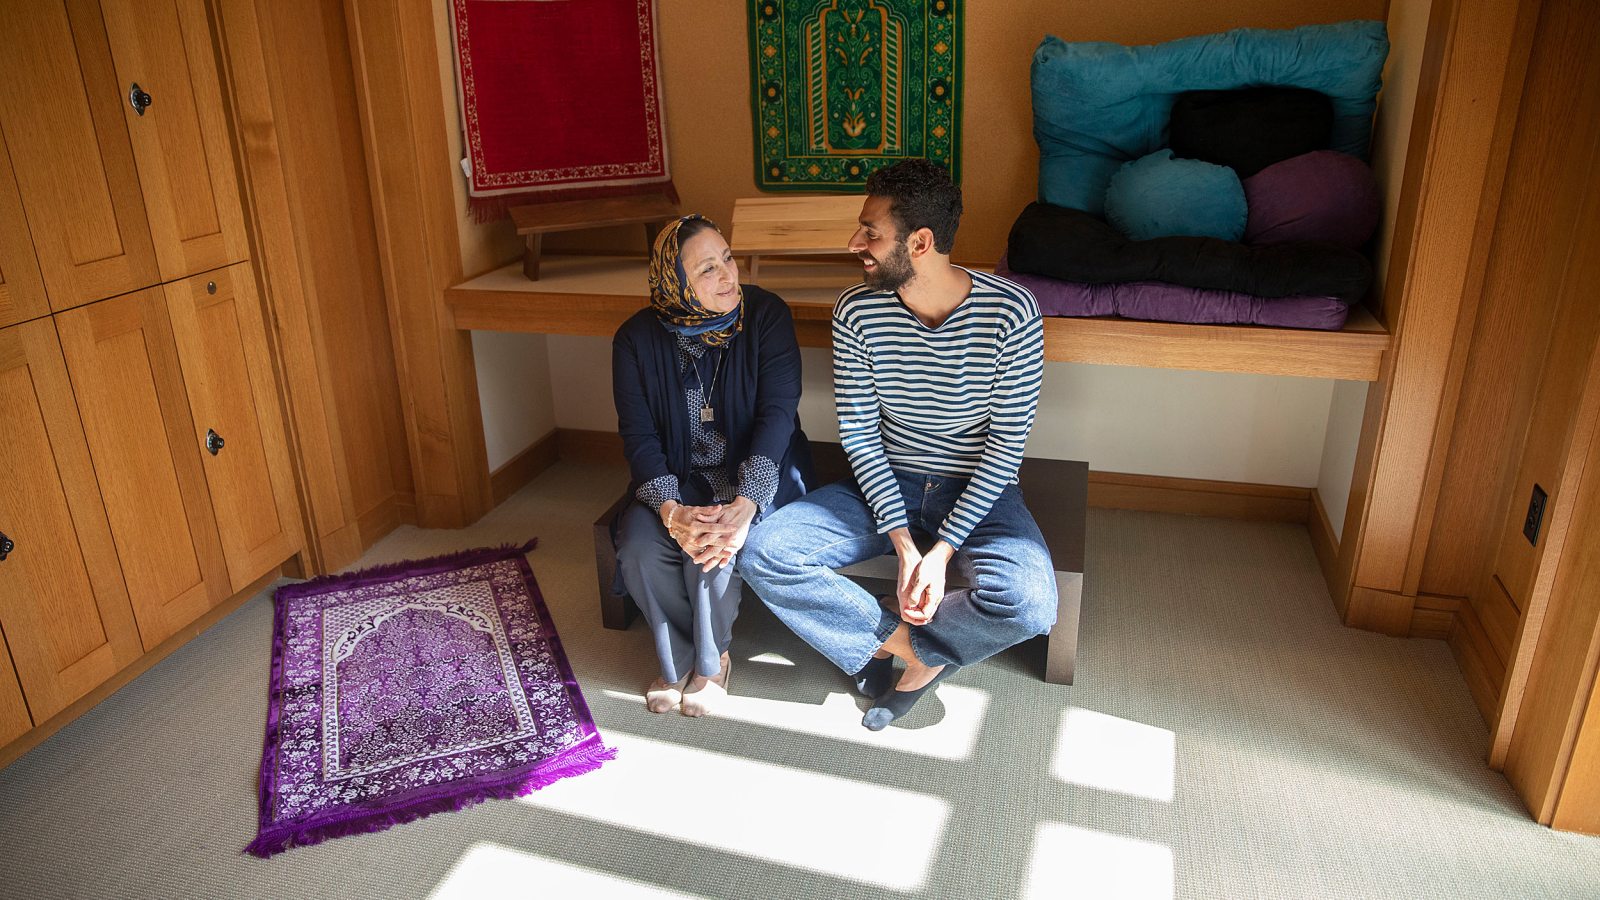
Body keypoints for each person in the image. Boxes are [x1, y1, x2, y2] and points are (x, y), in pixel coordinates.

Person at [740, 159, 1055, 730]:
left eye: (871, 232)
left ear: (921, 241)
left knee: (1031, 602)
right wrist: (905, 545)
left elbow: (1006, 448)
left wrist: (942, 551)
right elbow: (859, 435)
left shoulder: (1012, 312)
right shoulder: (857, 310)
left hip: (978, 488)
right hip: (890, 480)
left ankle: (909, 657)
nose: (855, 242)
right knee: (764, 549)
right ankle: (908, 649)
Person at [611, 214, 812, 717]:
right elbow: (638, 435)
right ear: (674, 282)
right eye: (707, 269)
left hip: (760, 470)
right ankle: (677, 657)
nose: (728, 275)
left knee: (716, 544)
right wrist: (670, 509)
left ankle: (711, 657)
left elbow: (778, 414)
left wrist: (747, 502)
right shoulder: (635, 340)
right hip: (677, 478)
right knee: (638, 544)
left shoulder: (766, 315)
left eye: (728, 258)